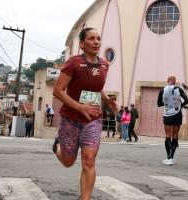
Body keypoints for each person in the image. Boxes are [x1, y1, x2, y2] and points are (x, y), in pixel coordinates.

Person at [52, 27, 117, 200]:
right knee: (68, 161)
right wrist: (80, 107)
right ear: (82, 43)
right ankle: (57, 146)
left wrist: (108, 101)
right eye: (91, 38)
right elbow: (58, 91)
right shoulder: (73, 63)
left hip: (93, 119)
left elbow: (97, 87)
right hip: (71, 119)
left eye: (98, 38)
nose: (96, 41)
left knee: (88, 160)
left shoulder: (104, 64)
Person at [157, 76, 188, 165]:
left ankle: (168, 157)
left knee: (168, 135)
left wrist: (167, 103)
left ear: (167, 81)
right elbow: (186, 100)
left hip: (167, 114)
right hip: (177, 113)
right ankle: (172, 157)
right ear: (175, 82)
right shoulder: (179, 90)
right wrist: (179, 105)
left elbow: (159, 103)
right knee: (175, 135)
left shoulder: (162, 90)